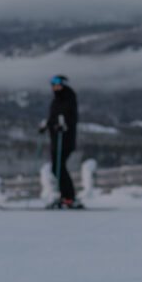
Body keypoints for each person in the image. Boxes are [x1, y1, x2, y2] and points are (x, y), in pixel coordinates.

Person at [40, 75, 82, 209]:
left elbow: (72, 117)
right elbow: (53, 118)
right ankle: (66, 196)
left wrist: (64, 126)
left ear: (63, 84)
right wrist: (46, 125)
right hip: (55, 139)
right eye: (53, 84)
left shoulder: (69, 98)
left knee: (59, 168)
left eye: (58, 83)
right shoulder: (56, 101)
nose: (55, 86)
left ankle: (69, 197)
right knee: (57, 168)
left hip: (66, 140)